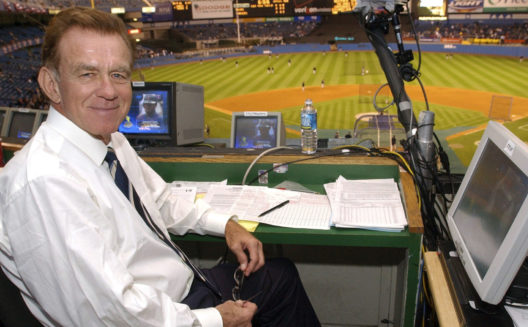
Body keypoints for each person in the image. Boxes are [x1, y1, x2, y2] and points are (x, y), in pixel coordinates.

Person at [0, 7, 320, 327]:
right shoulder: (46, 181)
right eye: (87, 74)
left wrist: (226, 224)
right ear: (51, 84)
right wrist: (215, 319)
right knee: (280, 284)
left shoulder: (111, 142)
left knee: (281, 275)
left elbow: (161, 201)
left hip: (176, 293)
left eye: (118, 74)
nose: (109, 91)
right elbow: (108, 316)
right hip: (157, 313)